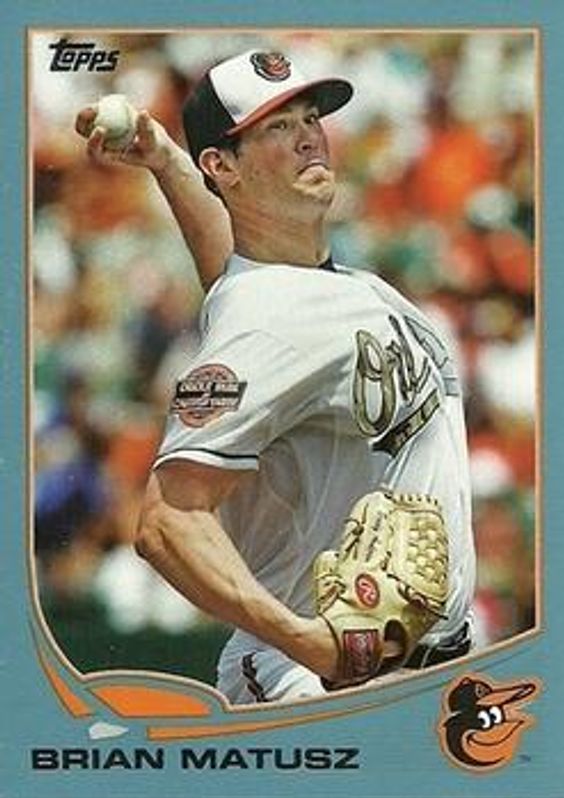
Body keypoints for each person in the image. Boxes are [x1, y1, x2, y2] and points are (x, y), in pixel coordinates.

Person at [76, 48, 476, 705]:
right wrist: (303, 641)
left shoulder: (311, 288)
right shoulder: (263, 324)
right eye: (278, 127)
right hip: (318, 681)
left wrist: (169, 161)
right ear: (222, 165)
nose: (309, 136)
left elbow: (246, 282)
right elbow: (168, 519)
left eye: (310, 117)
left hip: (421, 669)